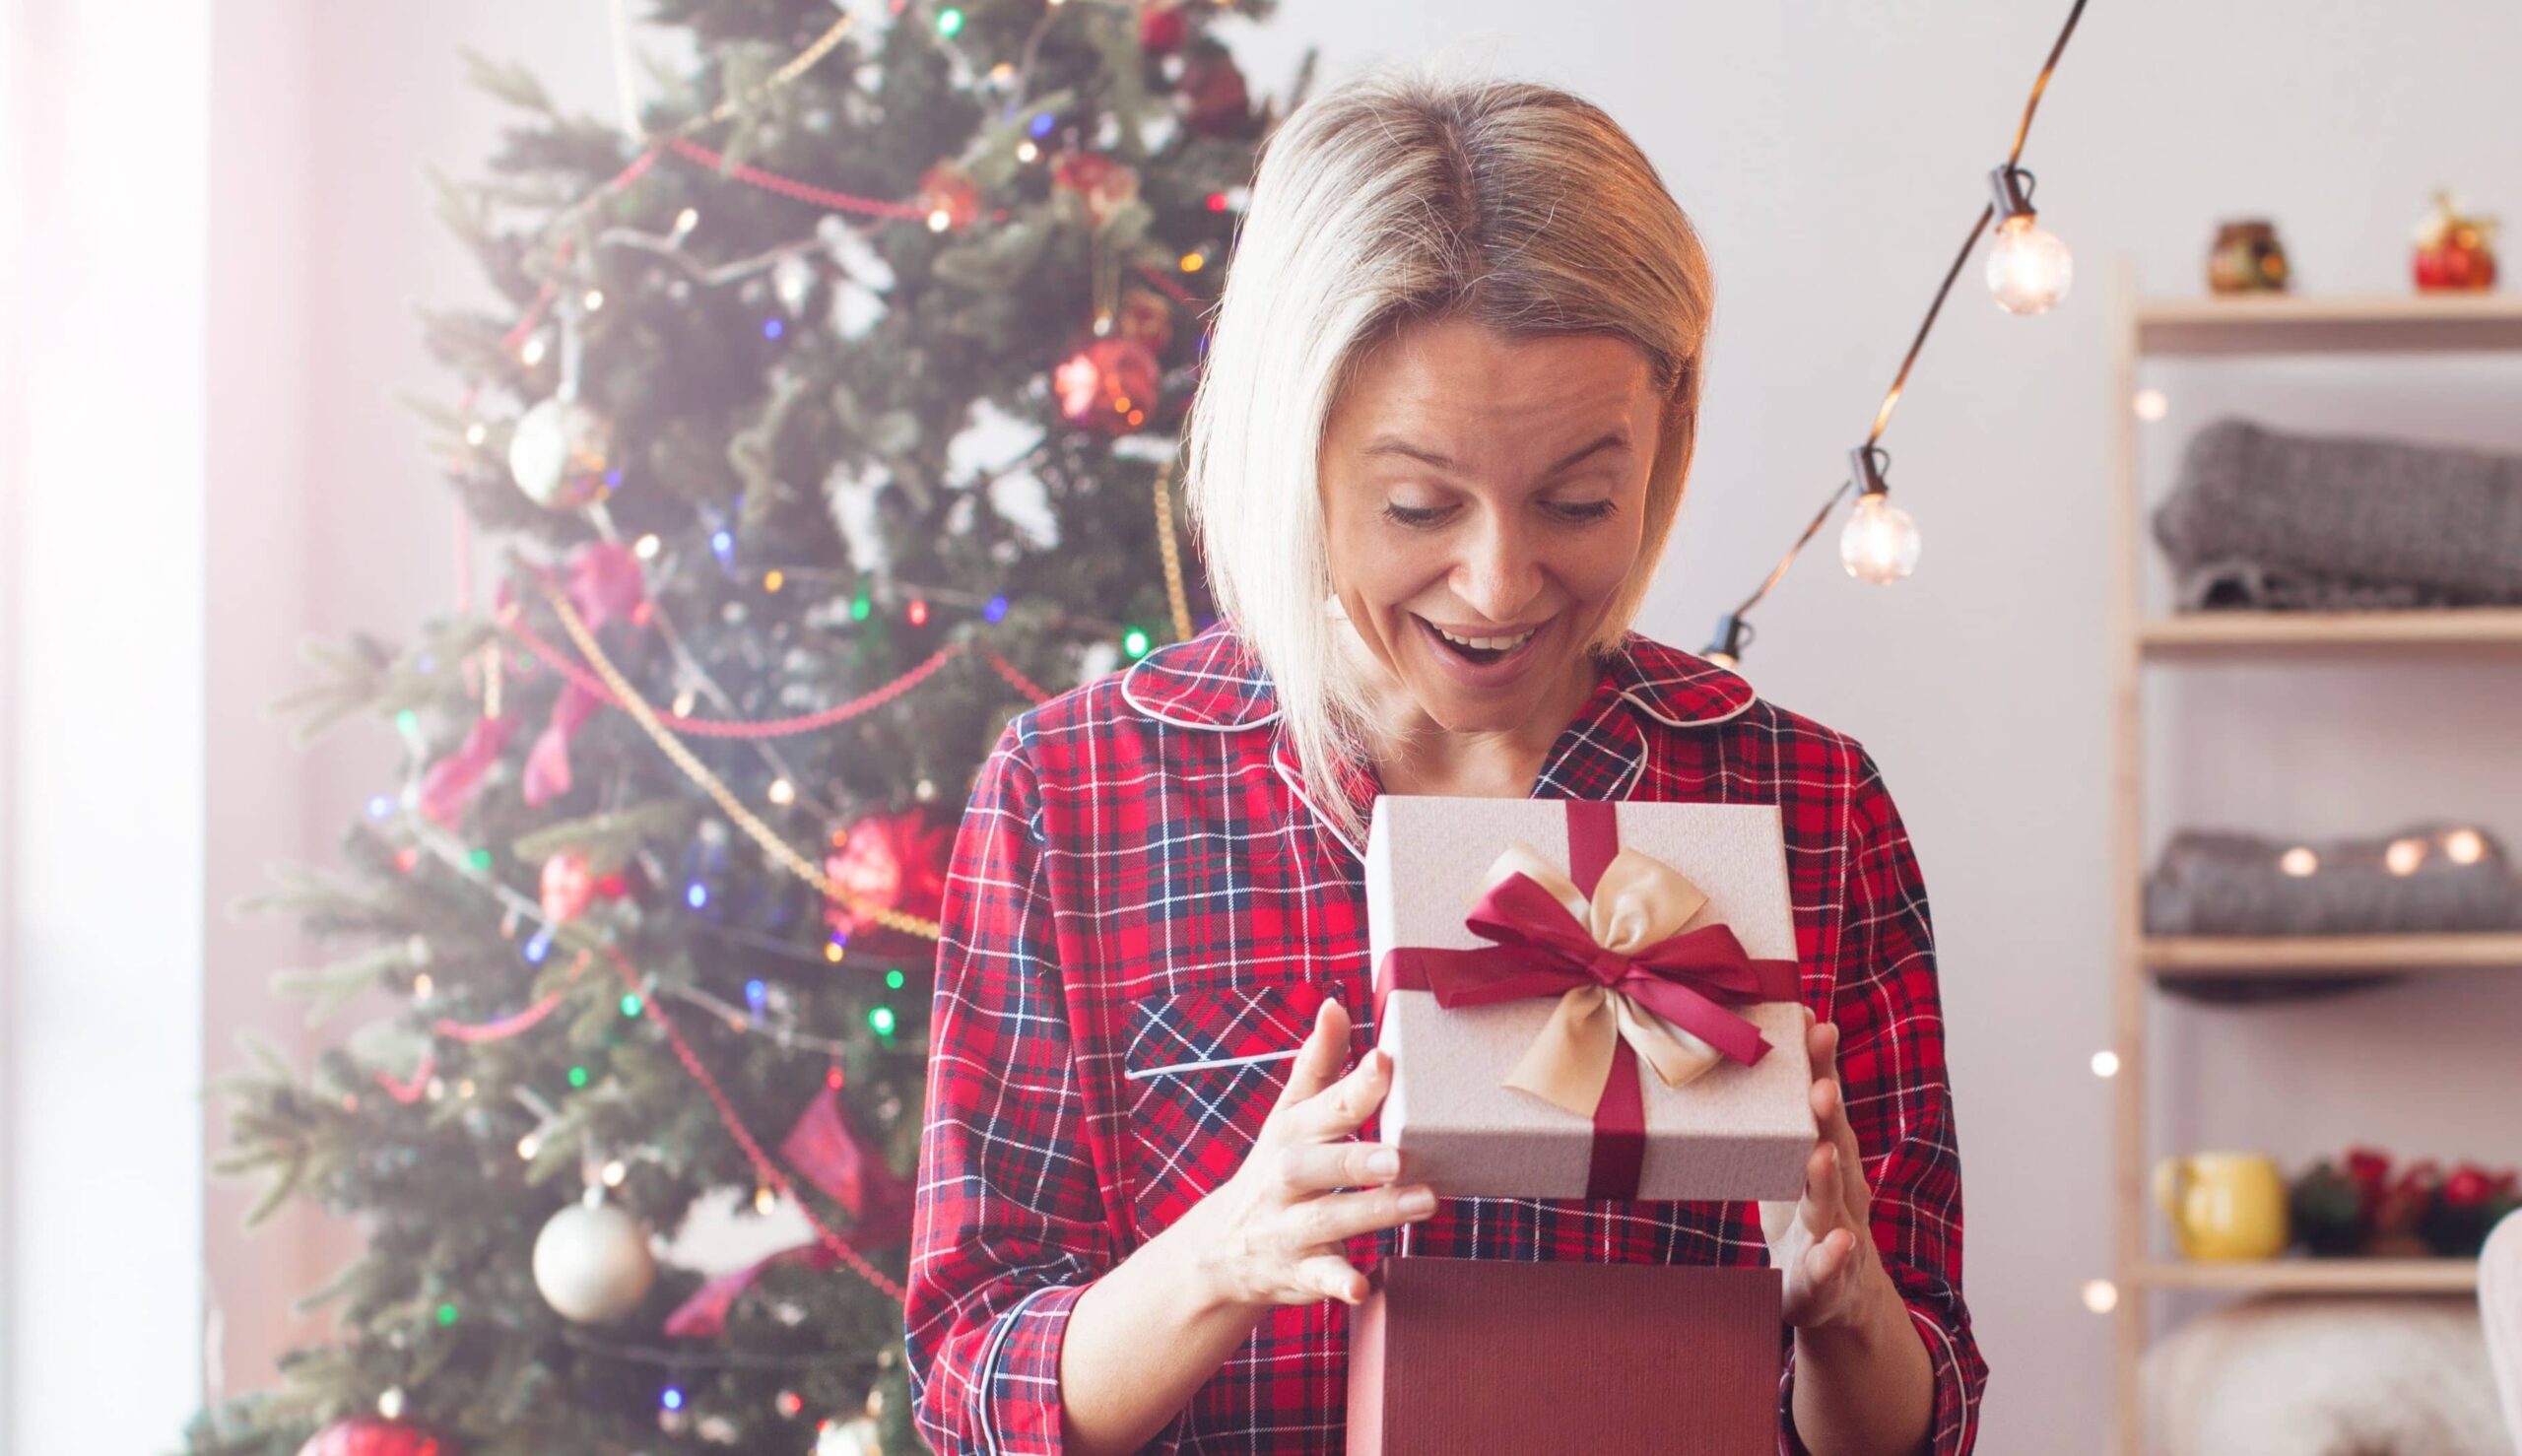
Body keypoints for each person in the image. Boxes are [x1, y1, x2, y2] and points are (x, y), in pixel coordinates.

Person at [905, 67, 1986, 1455]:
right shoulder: (1081, 792)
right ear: (1295, 451)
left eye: (1578, 499)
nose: (1497, 582)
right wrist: (1223, 1254)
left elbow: (1924, 1421)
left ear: (1667, 438)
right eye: (1419, 503)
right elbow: (965, 1386)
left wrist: (1847, 1310)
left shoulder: (1808, 807)